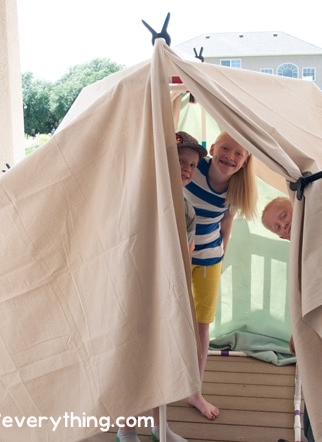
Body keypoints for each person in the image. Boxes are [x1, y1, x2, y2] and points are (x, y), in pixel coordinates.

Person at [117, 132, 207, 442]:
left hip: (165, 295)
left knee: (161, 359)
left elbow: (186, 257)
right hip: (135, 290)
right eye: (180, 160)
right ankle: (127, 430)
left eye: (192, 165)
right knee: (131, 360)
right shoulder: (145, 194)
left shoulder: (188, 210)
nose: (186, 168)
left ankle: (159, 426)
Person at [184, 131, 258, 419]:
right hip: (177, 256)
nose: (231, 156)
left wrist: (222, 252)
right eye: (226, 148)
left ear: (244, 162)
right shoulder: (193, 167)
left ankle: (195, 392)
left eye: (239, 154)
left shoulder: (236, 189)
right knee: (171, 319)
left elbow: (227, 221)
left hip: (208, 260)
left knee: (203, 326)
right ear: (213, 148)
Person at [262, 196, 315, 442]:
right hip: (312, 336)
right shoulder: (301, 249)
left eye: (284, 217)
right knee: (314, 398)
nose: (284, 228)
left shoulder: (317, 242)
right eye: (278, 228)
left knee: (320, 398)